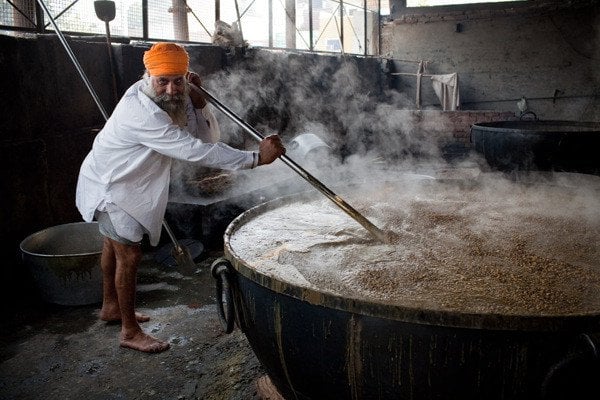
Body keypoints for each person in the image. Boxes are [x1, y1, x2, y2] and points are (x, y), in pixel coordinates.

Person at [75, 42, 285, 353]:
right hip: (112, 186)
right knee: (129, 255)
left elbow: (205, 136)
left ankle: (111, 307)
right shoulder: (141, 110)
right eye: (163, 81)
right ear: (148, 76)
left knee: (113, 245)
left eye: (178, 80)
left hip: (131, 182)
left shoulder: (176, 94)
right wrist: (256, 158)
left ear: (186, 76)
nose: (172, 89)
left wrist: (199, 102)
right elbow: (195, 151)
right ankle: (129, 331)